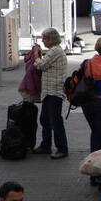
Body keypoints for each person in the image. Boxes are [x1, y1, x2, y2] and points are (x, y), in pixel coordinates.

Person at [31, 28, 68, 159]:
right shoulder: (53, 51)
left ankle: (62, 148)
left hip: (54, 91)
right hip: (48, 91)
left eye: (44, 38)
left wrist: (36, 55)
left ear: (51, 39)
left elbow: (41, 65)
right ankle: (45, 146)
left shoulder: (55, 51)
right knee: (45, 119)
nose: (42, 41)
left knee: (55, 121)